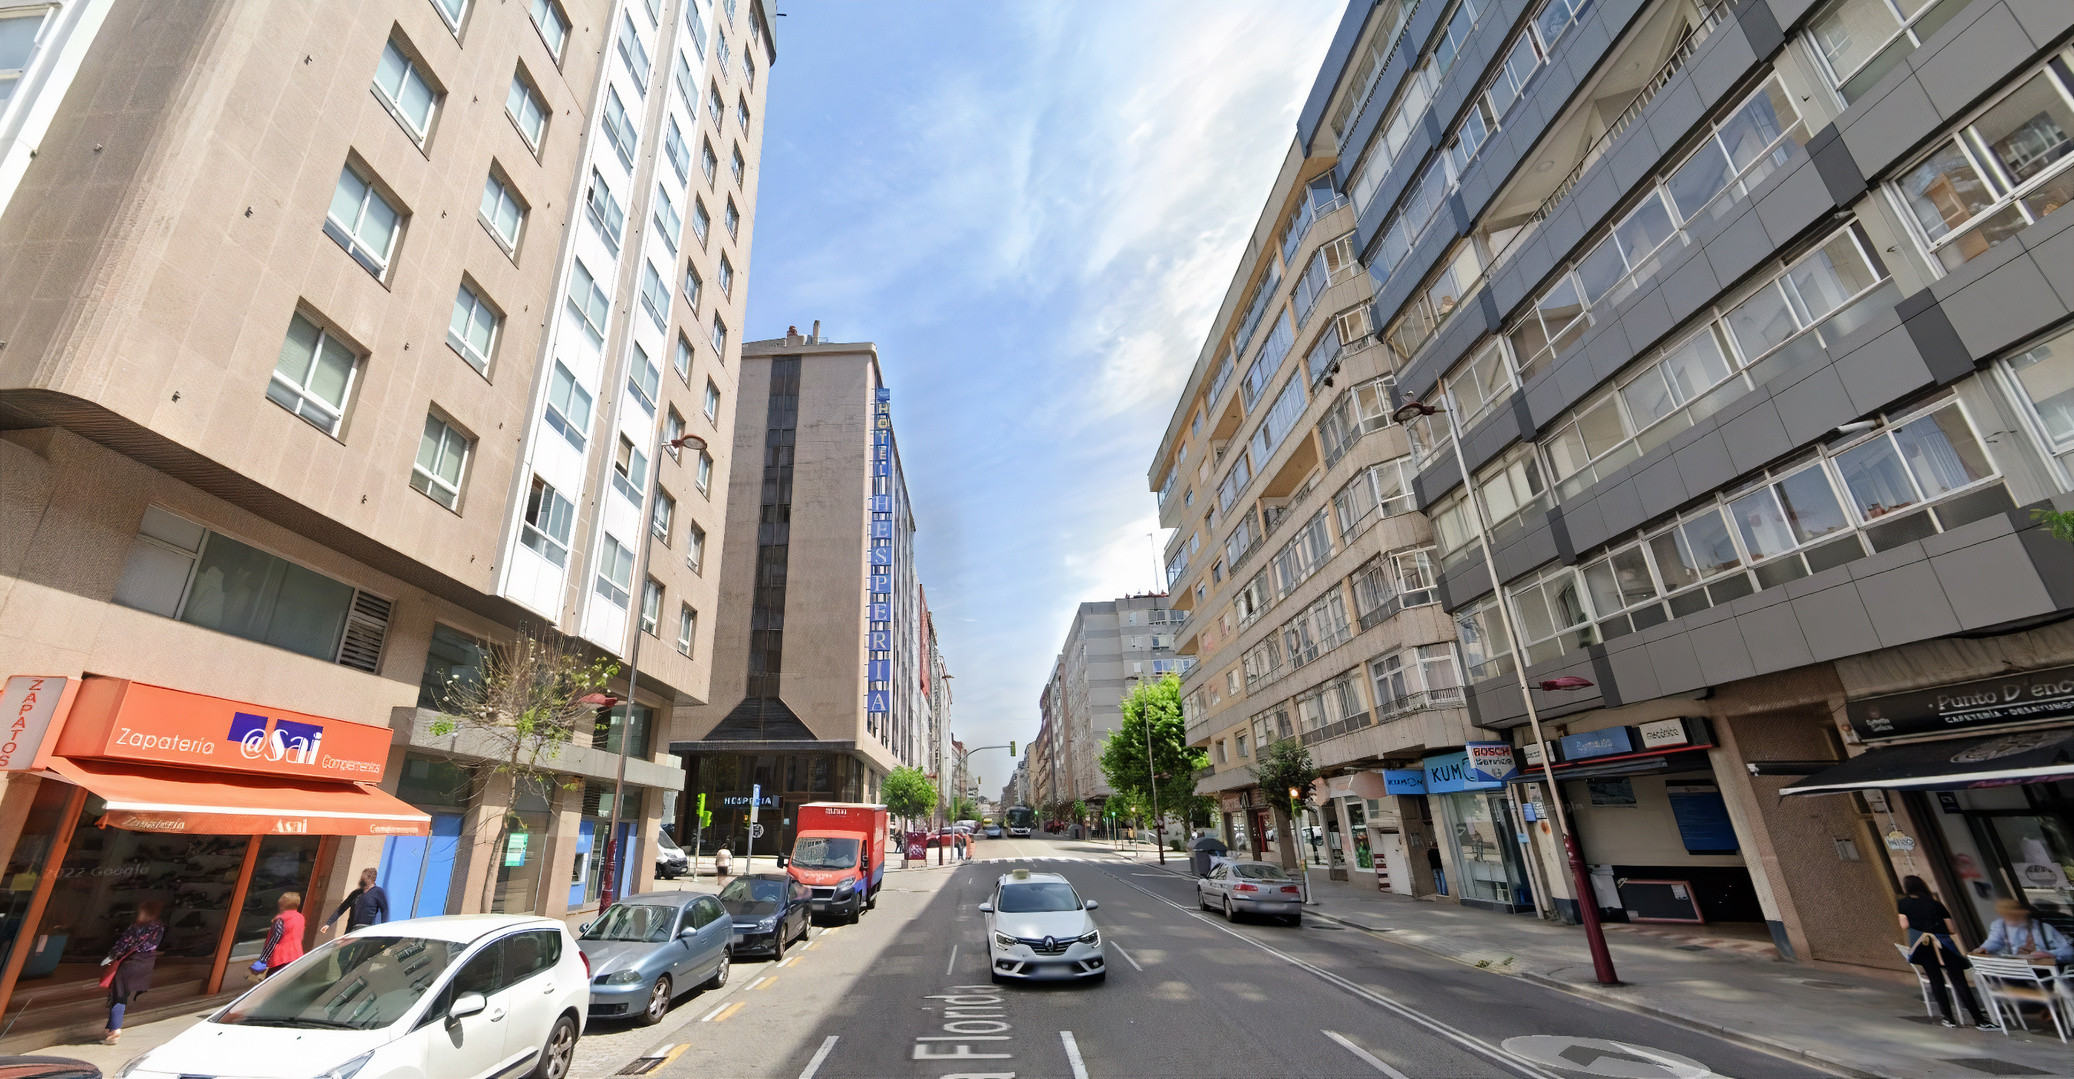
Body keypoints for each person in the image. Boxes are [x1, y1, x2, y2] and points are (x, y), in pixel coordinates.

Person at [1895, 876, 1996, 1029]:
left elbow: (1904, 925)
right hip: (1943, 945)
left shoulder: (1903, 903)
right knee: (1959, 982)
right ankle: (1979, 1020)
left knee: (1936, 981)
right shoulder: (1936, 903)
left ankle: (1948, 1018)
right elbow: (1951, 929)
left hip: (1923, 945)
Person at [101, 900, 164, 1045]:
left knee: (118, 996)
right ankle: (110, 1027)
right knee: (123, 995)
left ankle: (115, 1029)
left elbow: (123, 944)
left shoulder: (137, 927)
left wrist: (110, 957)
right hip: (146, 963)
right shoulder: (159, 926)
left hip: (130, 962)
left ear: (145, 912)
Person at [1973, 897, 2074, 965]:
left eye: (2013, 915)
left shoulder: (2043, 928)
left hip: (2044, 969)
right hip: (2022, 970)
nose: (2009, 919)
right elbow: (1994, 941)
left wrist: (2044, 954)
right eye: (2006, 915)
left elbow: (2069, 952)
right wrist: (1983, 948)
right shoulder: (2001, 925)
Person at [252, 892, 306, 980]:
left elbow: (274, 939)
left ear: (282, 905)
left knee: (269, 983)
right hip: (296, 955)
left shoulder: (280, 919)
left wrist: (263, 959)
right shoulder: (300, 917)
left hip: (281, 957)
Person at [320, 868, 389, 936]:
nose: (362, 880)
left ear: (372, 879)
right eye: (362, 878)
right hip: (351, 930)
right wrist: (328, 923)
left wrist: (383, 927)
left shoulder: (377, 892)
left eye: (365, 878)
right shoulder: (356, 893)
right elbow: (342, 908)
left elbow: (385, 909)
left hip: (365, 931)